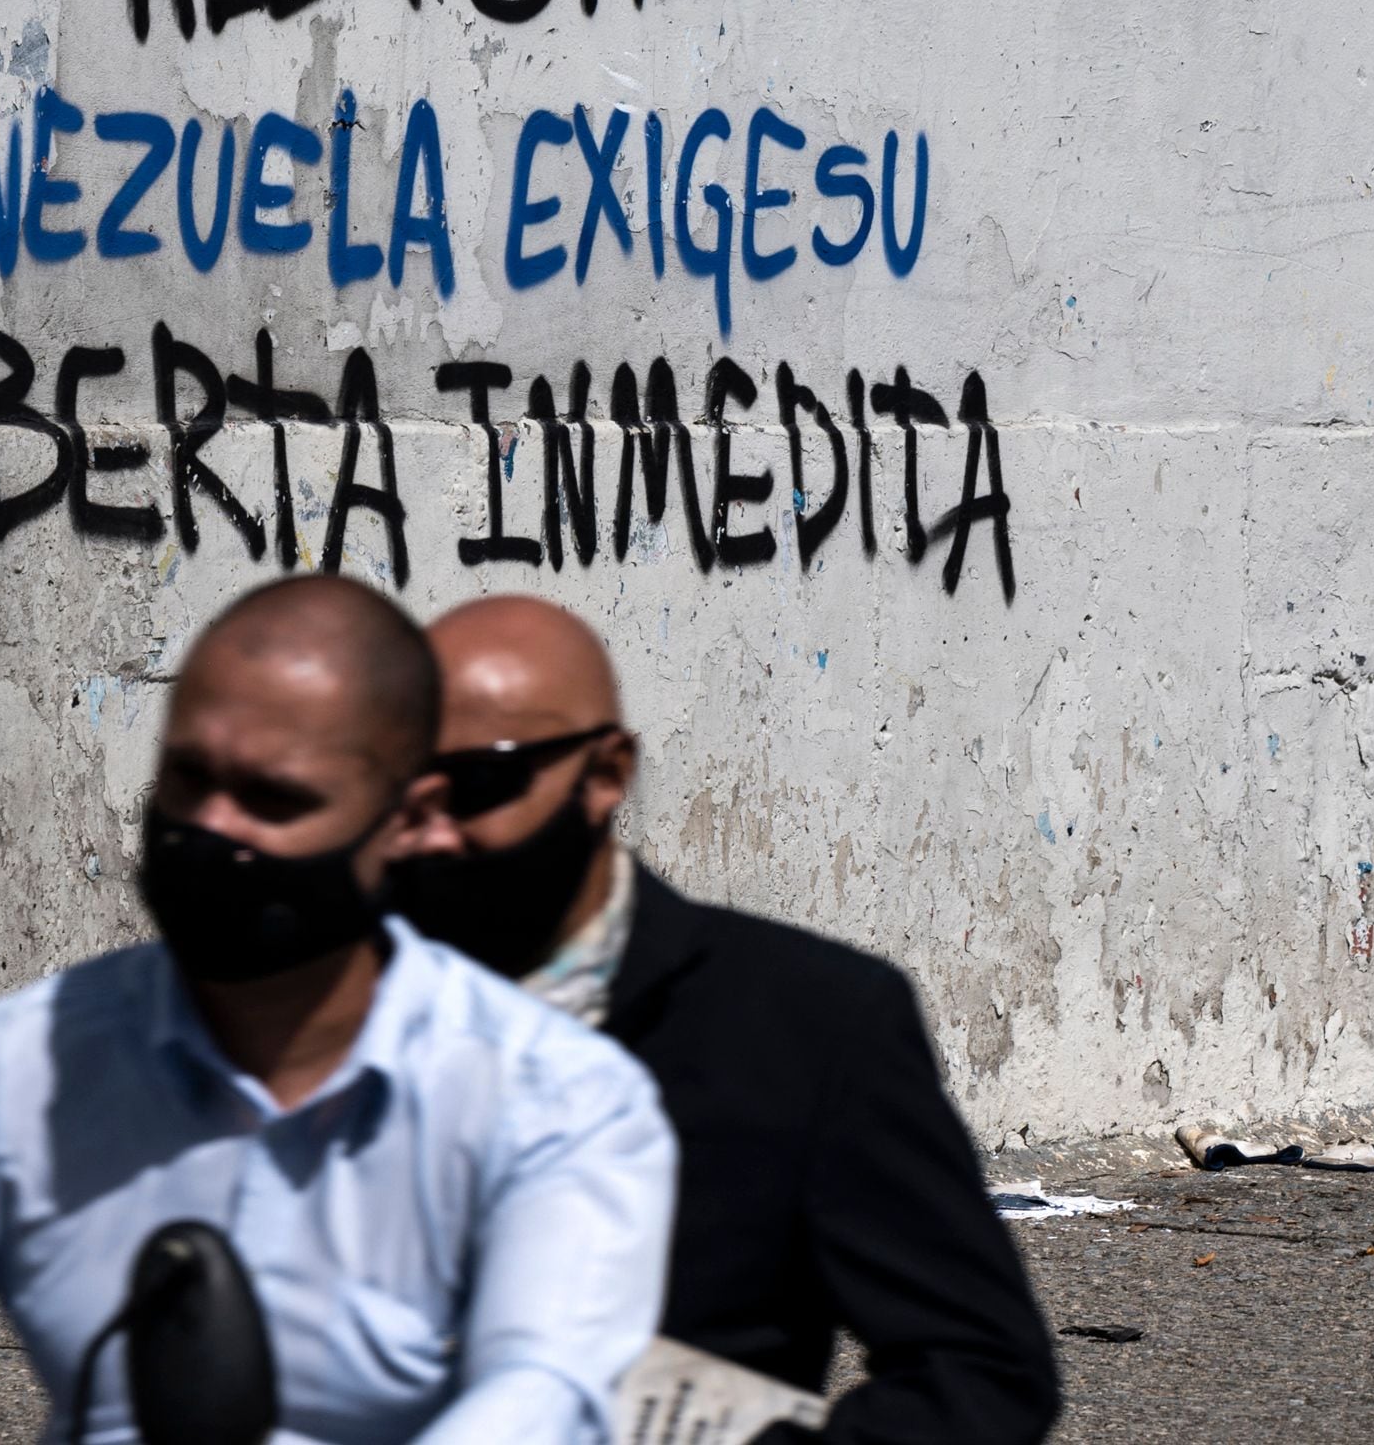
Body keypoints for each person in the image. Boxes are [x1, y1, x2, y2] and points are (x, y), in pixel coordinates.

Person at [0, 576, 677, 1445]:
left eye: (275, 798)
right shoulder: (12, 1072)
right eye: (188, 777)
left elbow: (543, 1397)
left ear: (408, 819)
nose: (212, 828)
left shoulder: (559, 1102)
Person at [389, 595, 1060, 1444]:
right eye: (404, 787)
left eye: (481, 783)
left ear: (604, 776)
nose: (432, 832)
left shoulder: (806, 1024)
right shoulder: (311, 993)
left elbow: (981, 1374)